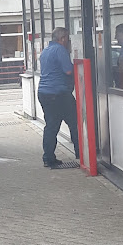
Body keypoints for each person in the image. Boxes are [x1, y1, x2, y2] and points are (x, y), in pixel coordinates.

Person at [38, 27, 79, 167]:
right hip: (58, 93)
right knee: (75, 122)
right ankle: (81, 154)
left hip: (44, 93)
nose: (68, 42)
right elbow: (68, 70)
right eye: (67, 39)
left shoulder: (46, 51)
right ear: (62, 39)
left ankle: (48, 157)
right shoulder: (60, 50)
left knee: (51, 126)